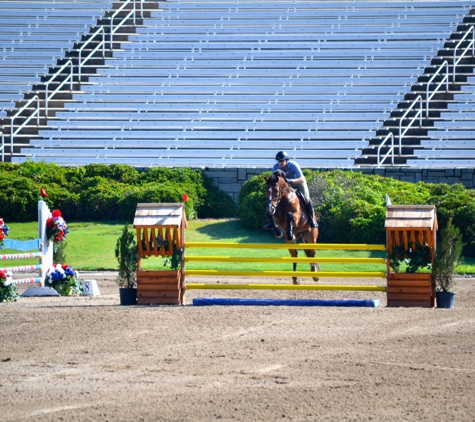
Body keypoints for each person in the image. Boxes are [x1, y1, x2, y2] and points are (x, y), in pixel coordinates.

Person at [264, 151, 318, 229]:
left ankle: (312, 219)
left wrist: (291, 181)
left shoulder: (293, 165)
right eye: (278, 161)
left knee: (306, 198)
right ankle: (272, 221)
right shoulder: (275, 167)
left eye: (282, 161)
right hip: (285, 186)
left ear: (286, 160)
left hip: (298, 183)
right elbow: (274, 181)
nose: (280, 163)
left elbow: (302, 179)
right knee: (274, 198)